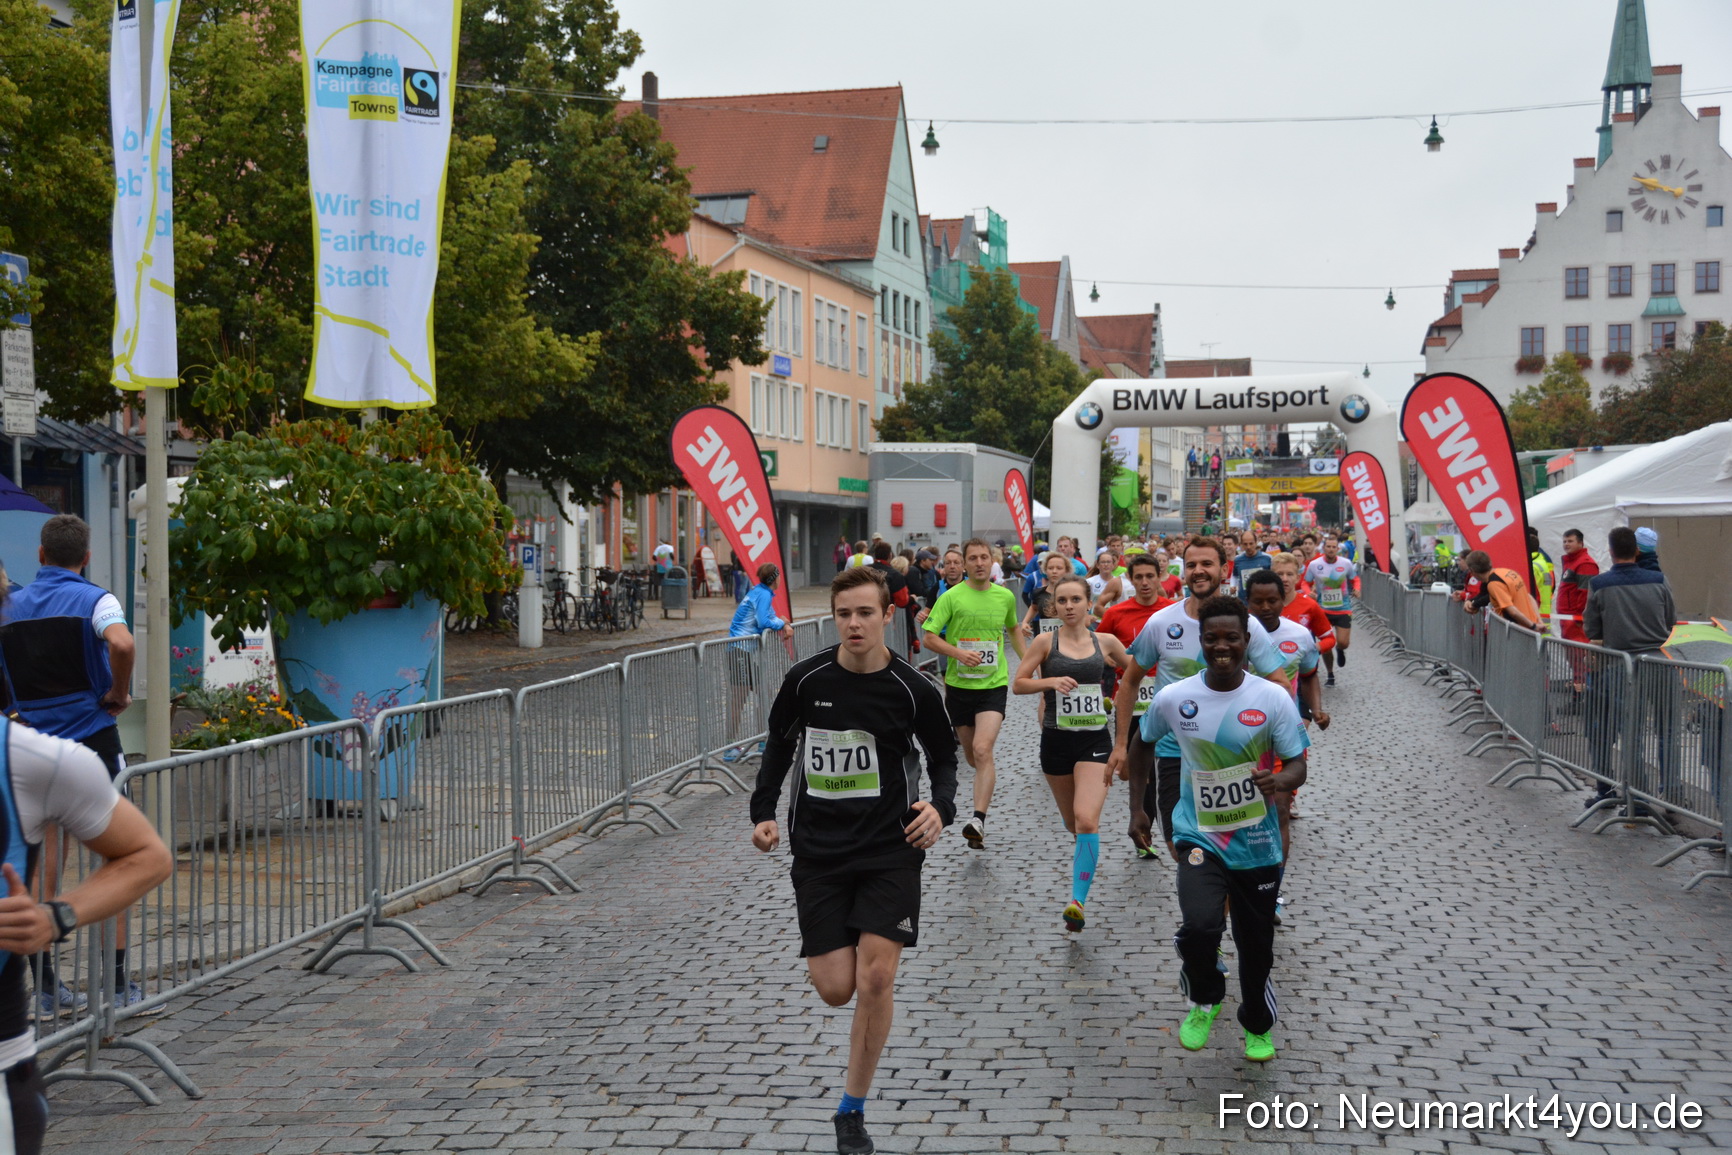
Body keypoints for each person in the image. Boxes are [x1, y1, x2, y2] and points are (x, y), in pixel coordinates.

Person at [749, 566, 956, 1155]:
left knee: (877, 976)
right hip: (818, 851)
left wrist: (940, 808)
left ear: (886, 615)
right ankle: (852, 1093)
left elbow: (944, 759)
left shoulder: (913, 689)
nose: (855, 624)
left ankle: (852, 1109)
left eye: (866, 613)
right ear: (834, 617)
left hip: (892, 848)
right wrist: (762, 811)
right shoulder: (805, 679)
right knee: (836, 988)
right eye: (845, 614)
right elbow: (779, 746)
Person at [1133, 594, 1308, 1063]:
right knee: (1200, 926)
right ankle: (1206, 997)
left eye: (1232, 637)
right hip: (1198, 836)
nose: (1222, 646)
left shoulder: (1271, 698)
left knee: (1256, 949)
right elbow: (1141, 742)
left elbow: (1298, 766)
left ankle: (1256, 1024)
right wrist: (1140, 809)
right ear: (1201, 641)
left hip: (1257, 845)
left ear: (1247, 641)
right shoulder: (1175, 697)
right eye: (1212, 638)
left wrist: (1280, 779)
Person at [0, 515, 151, 1013]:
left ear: (40, 556)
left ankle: (45, 989)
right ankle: (117, 984)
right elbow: (123, 643)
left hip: (29, 744)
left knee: (41, 865)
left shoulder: (9, 605)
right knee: (121, 857)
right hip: (91, 736)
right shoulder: (97, 598)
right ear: (85, 558)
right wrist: (119, 691)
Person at [1106, 537, 1289, 868]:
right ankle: (1208, 912)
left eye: (1206, 564)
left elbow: (1279, 683)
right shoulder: (1162, 623)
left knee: (1235, 849)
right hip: (1175, 752)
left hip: (1233, 753)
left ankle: (1241, 901)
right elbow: (1130, 680)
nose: (1198, 571)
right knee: (1183, 849)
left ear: (1224, 569)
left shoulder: (1245, 624)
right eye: (1191, 565)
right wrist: (1120, 744)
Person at [1013, 576, 1132, 932]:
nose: (1068, 606)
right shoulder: (1045, 642)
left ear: (1086, 602)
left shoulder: (1106, 641)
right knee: (1073, 824)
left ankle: (1076, 901)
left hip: (1094, 740)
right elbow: (1019, 683)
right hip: (1056, 741)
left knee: (1086, 819)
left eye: (1075, 600)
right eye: (1062, 601)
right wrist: (1049, 681)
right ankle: (1086, 854)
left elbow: (1137, 670)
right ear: (1054, 606)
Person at [920, 539, 1025, 850]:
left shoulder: (1005, 596)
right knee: (971, 755)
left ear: (991, 562)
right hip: (959, 687)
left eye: (984, 558)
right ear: (964, 564)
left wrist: (1030, 664)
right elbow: (928, 638)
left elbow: (1014, 629)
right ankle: (982, 789)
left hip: (993, 685)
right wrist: (958, 653)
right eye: (973, 558)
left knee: (982, 749)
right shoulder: (951, 597)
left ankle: (978, 819)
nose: (979, 563)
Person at [1243, 570, 1328, 926]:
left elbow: (1308, 675)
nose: (1264, 607)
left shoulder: (1299, 635)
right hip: (1240, 738)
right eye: (1257, 601)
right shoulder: (1235, 634)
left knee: (1278, 813)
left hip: (1283, 737)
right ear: (1246, 601)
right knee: (1244, 814)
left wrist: (1317, 708)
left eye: (1272, 600)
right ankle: (1241, 883)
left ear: (1284, 599)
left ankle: (1272, 890)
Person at [1583, 526, 1676, 808]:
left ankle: (1636, 796)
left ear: (1610, 552)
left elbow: (1591, 627)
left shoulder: (1599, 584)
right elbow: (1670, 618)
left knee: (1630, 731)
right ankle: (1670, 793)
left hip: (1620, 664)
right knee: (1667, 730)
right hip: (1661, 661)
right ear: (1637, 551)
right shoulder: (1659, 579)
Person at [724, 564, 794, 762]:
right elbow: (764, 622)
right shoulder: (763, 594)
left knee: (763, 693)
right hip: (739, 650)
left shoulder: (761, 592)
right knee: (738, 700)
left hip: (743, 651)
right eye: (779, 576)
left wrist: (781, 621)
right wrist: (783, 624)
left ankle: (763, 739)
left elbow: (770, 616)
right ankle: (729, 746)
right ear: (775, 578)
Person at [1303, 534, 1358, 686]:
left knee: (1343, 642)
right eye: (1328, 547)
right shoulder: (1314, 565)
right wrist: (1309, 594)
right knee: (1326, 645)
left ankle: (1340, 650)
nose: (1331, 549)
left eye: (1334, 547)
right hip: (1323, 610)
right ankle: (1330, 674)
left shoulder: (1346, 563)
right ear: (1324, 547)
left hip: (1343, 609)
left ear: (1338, 548)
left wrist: (1358, 589)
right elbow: (1305, 583)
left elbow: (1355, 579)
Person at [1462, 550, 1539, 631]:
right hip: (1529, 625)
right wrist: (1538, 621)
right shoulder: (1507, 572)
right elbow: (1529, 597)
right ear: (1489, 562)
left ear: (1472, 571)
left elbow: (1512, 611)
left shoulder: (1494, 583)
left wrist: (1533, 626)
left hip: (1520, 629)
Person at [1555, 527, 1599, 647]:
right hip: (1568, 620)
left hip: (1576, 622)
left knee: (1580, 658)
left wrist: (1579, 619)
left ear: (1580, 543)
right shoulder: (1572, 562)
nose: (1566, 544)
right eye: (1564, 541)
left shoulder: (1585, 564)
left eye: (1570, 541)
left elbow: (1586, 595)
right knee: (1573, 657)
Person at [1526, 527, 1554, 627]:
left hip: (1536, 608)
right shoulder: (1542, 561)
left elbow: (1529, 591)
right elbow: (1551, 583)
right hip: (1544, 606)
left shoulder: (1532, 566)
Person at [1232, 534, 1272, 603]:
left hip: (1262, 600)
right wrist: (1233, 585)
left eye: (1251, 544)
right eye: (1245, 544)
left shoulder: (1267, 558)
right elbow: (1234, 575)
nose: (1248, 547)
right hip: (1244, 601)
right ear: (1241, 544)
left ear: (1256, 543)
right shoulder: (1237, 560)